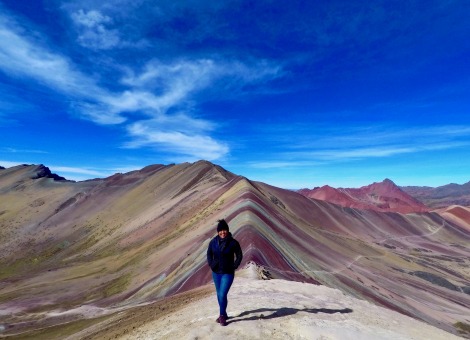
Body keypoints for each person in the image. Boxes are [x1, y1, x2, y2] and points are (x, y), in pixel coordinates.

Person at [206, 219, 243, 326]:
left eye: (224, 230)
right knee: (219, 294)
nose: (223, 232)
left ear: (227, 230)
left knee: (222, 294)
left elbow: (239, 255)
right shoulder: (213, 242)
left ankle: (222, 316)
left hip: (228, 273)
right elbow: (209, 254)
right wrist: (211, 264)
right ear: (218, 231)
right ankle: (224, 314)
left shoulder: (233, 242)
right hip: (216, 272)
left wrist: (234, 265)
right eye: (220, 230)